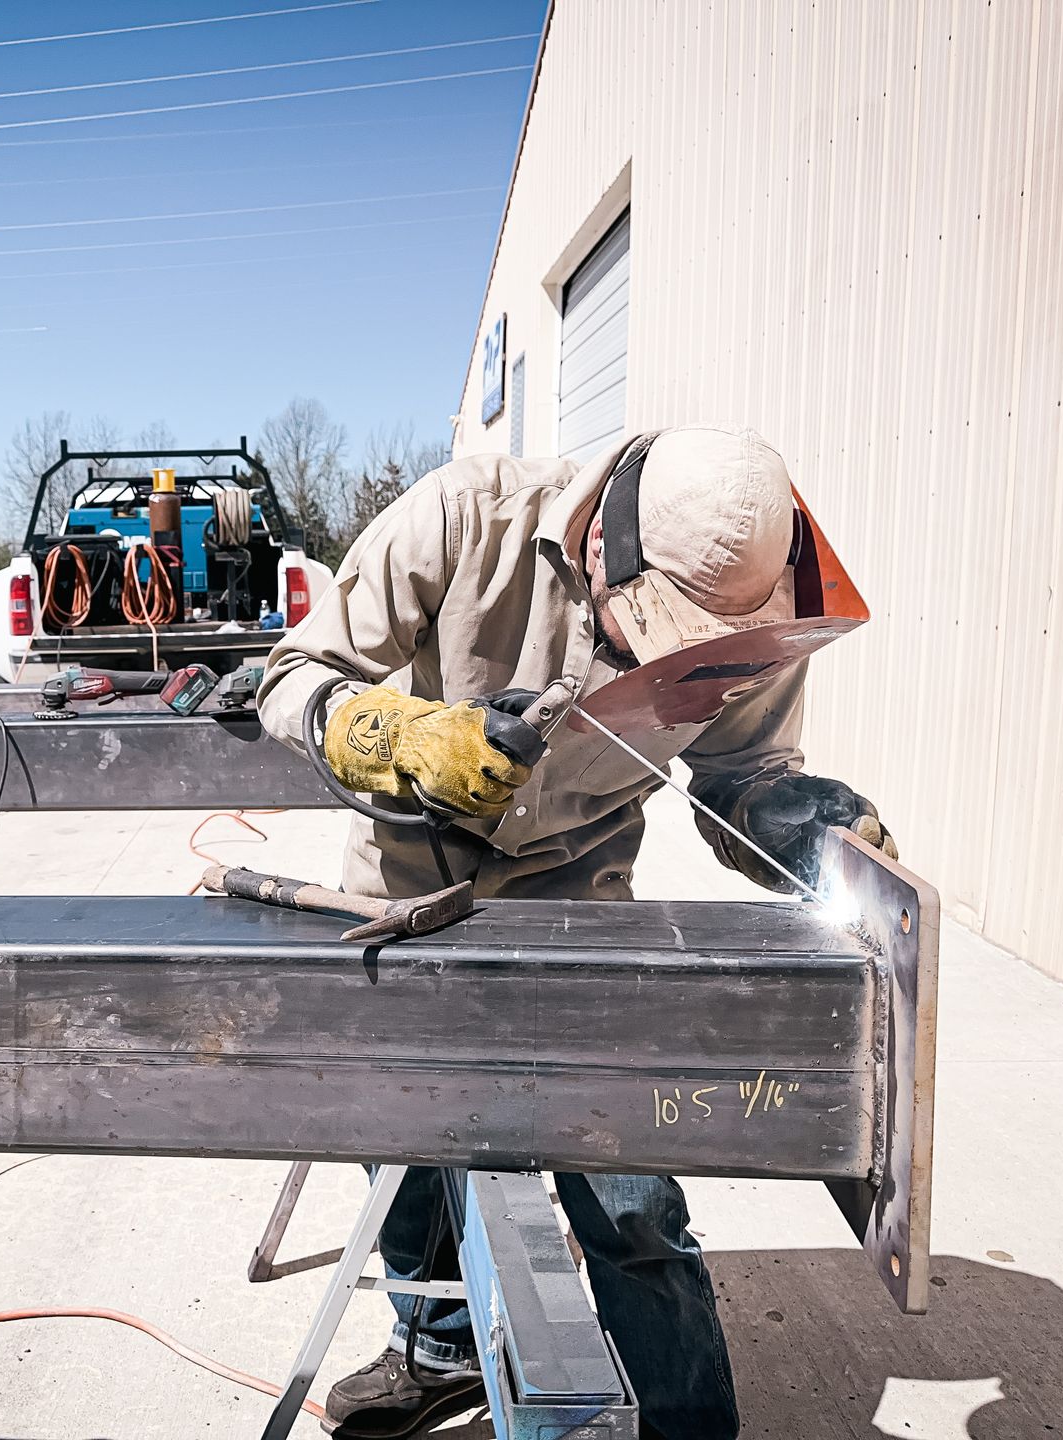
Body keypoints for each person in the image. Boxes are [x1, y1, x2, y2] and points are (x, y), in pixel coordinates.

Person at [256, 424, 897, 1440]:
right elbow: (292, 679)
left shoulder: (757, 598)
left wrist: (798, 825)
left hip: (579, 898)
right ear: (604, 544)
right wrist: (403, 735)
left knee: (628, 1190)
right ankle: (435, 1353)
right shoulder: (463, 520)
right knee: (408, 1151)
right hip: (410, 884)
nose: (667, 662)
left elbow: (743, 781)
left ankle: (687, 1423)